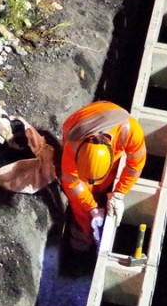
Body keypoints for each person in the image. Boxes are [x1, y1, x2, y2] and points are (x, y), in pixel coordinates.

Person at [61, 101, 146, 253]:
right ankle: (83, 234)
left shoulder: (130, 130)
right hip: (78, 124)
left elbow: (135, 166)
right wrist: (92, 208)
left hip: (110, 125)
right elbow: (72, 184)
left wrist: (119, 193)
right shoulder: (72, 146)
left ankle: (101, 193)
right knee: (79, 201)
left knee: (101, 184)